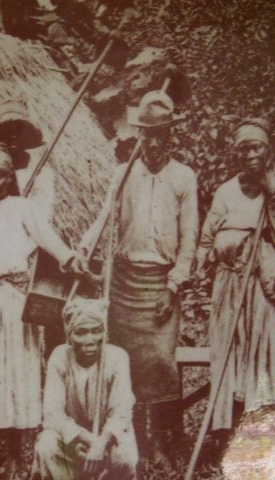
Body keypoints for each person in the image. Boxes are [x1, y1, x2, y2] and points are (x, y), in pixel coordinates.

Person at [75, 90, 198, 458]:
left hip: (161, 283)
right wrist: (84, 248)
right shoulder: (122, 174)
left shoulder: (184, 178)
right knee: (125, 363)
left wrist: (173, 286)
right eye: (147, 134)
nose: (153, 142)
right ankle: (134, 440)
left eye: (161, 134)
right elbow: (103, 217)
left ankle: (161, 439)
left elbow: (189, 239)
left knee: (161, 362)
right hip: (125, 281)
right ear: (138, 134)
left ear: (170, 137)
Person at [0, 143, 75, 469]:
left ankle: (22, 452)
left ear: (10, 178)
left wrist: (71, 260)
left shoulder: (23, 209)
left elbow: (50, 240)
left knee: (20, 368)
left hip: (15, 302)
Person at [195, 118, 275, 455]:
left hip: (260, 288)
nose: (251, 155)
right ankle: (225, 429)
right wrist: (199, 270)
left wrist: (271, 193)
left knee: (261, 355)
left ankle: (262, 433)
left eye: (256, 147)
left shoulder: (273, 189)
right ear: (235, 155)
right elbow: (207, 236)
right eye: (244, 149)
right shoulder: (226, 191)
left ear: (267, 150)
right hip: (228, 286)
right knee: (228, 354)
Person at [31, 298, 138, 480]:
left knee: (124, 455)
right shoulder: (59, 357)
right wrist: (87, 440)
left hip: (107, 436)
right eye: (81, 333)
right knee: (46, 445)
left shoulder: (117, 357)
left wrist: (101, 444)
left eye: (96, 331)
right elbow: (53, 414)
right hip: (71, 437)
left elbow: (121, 413)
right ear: (69, 335)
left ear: (104, 333)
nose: (90, 340)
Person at [0, 98, 55, 218]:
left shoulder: (41, 173)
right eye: (8, 132)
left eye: (18, 132)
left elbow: (44, 213)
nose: (13, 138)